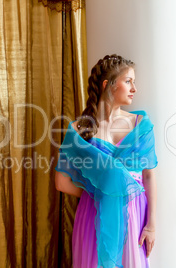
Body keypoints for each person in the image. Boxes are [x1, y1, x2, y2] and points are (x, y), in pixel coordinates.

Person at [54, 54, 158, 268]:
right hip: (110, 214)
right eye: (128, 81)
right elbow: (60, 183)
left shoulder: (141, 125)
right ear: (108, 85)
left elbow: (149, 174)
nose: (134, 88)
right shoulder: (79, 129)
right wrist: (106, 192)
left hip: (119, 215)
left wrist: (151, 224)